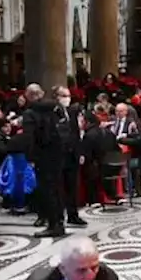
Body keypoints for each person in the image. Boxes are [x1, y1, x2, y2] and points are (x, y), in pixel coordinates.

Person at [13, 84, 67, 238]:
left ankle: (52, 224)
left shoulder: (30, 113)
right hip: (58, 153)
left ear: (28, 96)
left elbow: (28, 137)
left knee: (46, 190)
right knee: (56, 188)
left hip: (42, 155)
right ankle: (59, 221)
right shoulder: (55, 108)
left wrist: (30, 157)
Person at [54, 85, 86, 227]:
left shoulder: (72, 112)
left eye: (68, 96)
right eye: (64, 96)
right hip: (59, 155)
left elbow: (76, 134)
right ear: (57, 97)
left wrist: (80, 152)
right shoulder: (53, 113)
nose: (67, 99)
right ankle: (59, 217)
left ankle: (73, 215)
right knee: (59, 187)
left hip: (72, 154)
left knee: (72, 186)